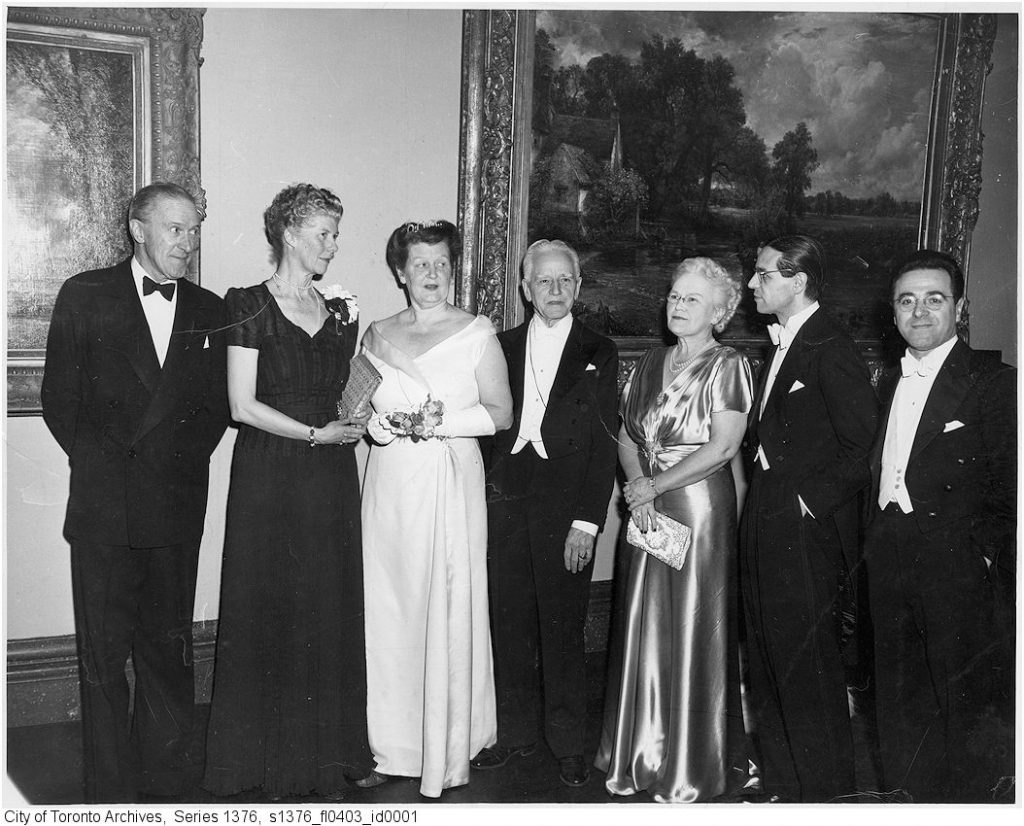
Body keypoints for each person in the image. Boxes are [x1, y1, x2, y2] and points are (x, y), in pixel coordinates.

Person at [41, 182, 229, 802]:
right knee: (101, 660)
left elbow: (213, 413)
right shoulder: (85, 294)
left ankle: (167, 786)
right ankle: (109, 793)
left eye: (195, 229)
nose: (189, 242)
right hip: (104, 510)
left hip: (174, 508)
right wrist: (111, 473)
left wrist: (166, 472)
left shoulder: (208, 308)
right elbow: (60, 403)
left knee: (169, 655)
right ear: (138, 228)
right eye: (176, 229)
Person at [203, 184, 378, 798]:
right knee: (269, 601)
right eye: (324, 232)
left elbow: (345, 391)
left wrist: (358, 421)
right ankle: (257, 760)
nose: (334, 244)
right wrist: (315, 432)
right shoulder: (246, 304)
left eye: (335, 232)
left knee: (328, 602)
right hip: (272, 470)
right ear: (289, 233)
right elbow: (241, 404)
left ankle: (332, 752)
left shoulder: (340, 312)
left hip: (329, 472)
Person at [360, 219, 513, 798]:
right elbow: (359, 407)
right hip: (391, 484)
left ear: (453, 270)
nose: (431, 274)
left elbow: (499, 413)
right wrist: (380, 426)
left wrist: (435, 423)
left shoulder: (476, 332)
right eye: (419, 264)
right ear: (400, 272)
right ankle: (391, 745)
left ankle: (446, 748)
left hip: (449, 479)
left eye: (441, 264)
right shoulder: (375, 333)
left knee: (444, 602)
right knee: (391, 604)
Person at [595, 257, 753, 802]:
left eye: (692, 299)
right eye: (675, 296)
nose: (678, 306)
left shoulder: (728, 363)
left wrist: (654, 488)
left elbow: (724, 447)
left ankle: (688, 764)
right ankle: (639, 752)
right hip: (646, 503)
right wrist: (637, 483)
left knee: (690, 624)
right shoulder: (649, 361)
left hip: (696, 504)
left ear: (719, 312)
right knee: (643, 616)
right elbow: (625, 435)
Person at [865, 250, 1016, 803]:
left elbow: (1012, 490)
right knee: (899, 696)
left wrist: (979, 555)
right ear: (894, 313)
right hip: (889, 551)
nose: (920, 312)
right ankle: (907, 801)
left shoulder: (995, 382)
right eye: (907, 301)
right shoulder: (887, 379)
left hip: (957, 563)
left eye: (934, 299)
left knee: (963, 703)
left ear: (960, 307)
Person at [472, 239, 618, 788]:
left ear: (578, 287)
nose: (554, 291)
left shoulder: (598, 350)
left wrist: (587, 522)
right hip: (505, 495)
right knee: (507, 621)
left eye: (565, 281)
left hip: (565, 502)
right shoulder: (500, 344)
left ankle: (567, 743)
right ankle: (514, 735)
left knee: (562, 625)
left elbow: (605, 445)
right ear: (525, 288)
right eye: (543, 282)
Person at [739, 235, 878, 802]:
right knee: (769, 656)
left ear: (798, 282)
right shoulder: (781, 343)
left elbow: (861, 447)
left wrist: (806, 503)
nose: (753, 283)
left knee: (808, 666)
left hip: (803, 526)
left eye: (764, 274)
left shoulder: (831, 346)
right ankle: (782, 785)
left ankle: (822, 797)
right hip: (766, 515)